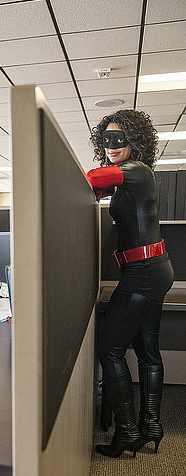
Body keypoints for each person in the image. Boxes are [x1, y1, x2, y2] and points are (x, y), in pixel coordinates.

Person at [87, 109, 174, 458]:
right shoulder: (134, 177)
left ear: (134, 141)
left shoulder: (135, 170)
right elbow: (96, 187)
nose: (111, 145)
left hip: (142, 275)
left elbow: (90, 177)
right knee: (147, 351)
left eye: (118, 138)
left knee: (110, 349)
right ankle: (151, 424)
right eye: (105, 139)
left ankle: (127, 433)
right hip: (154, 270)